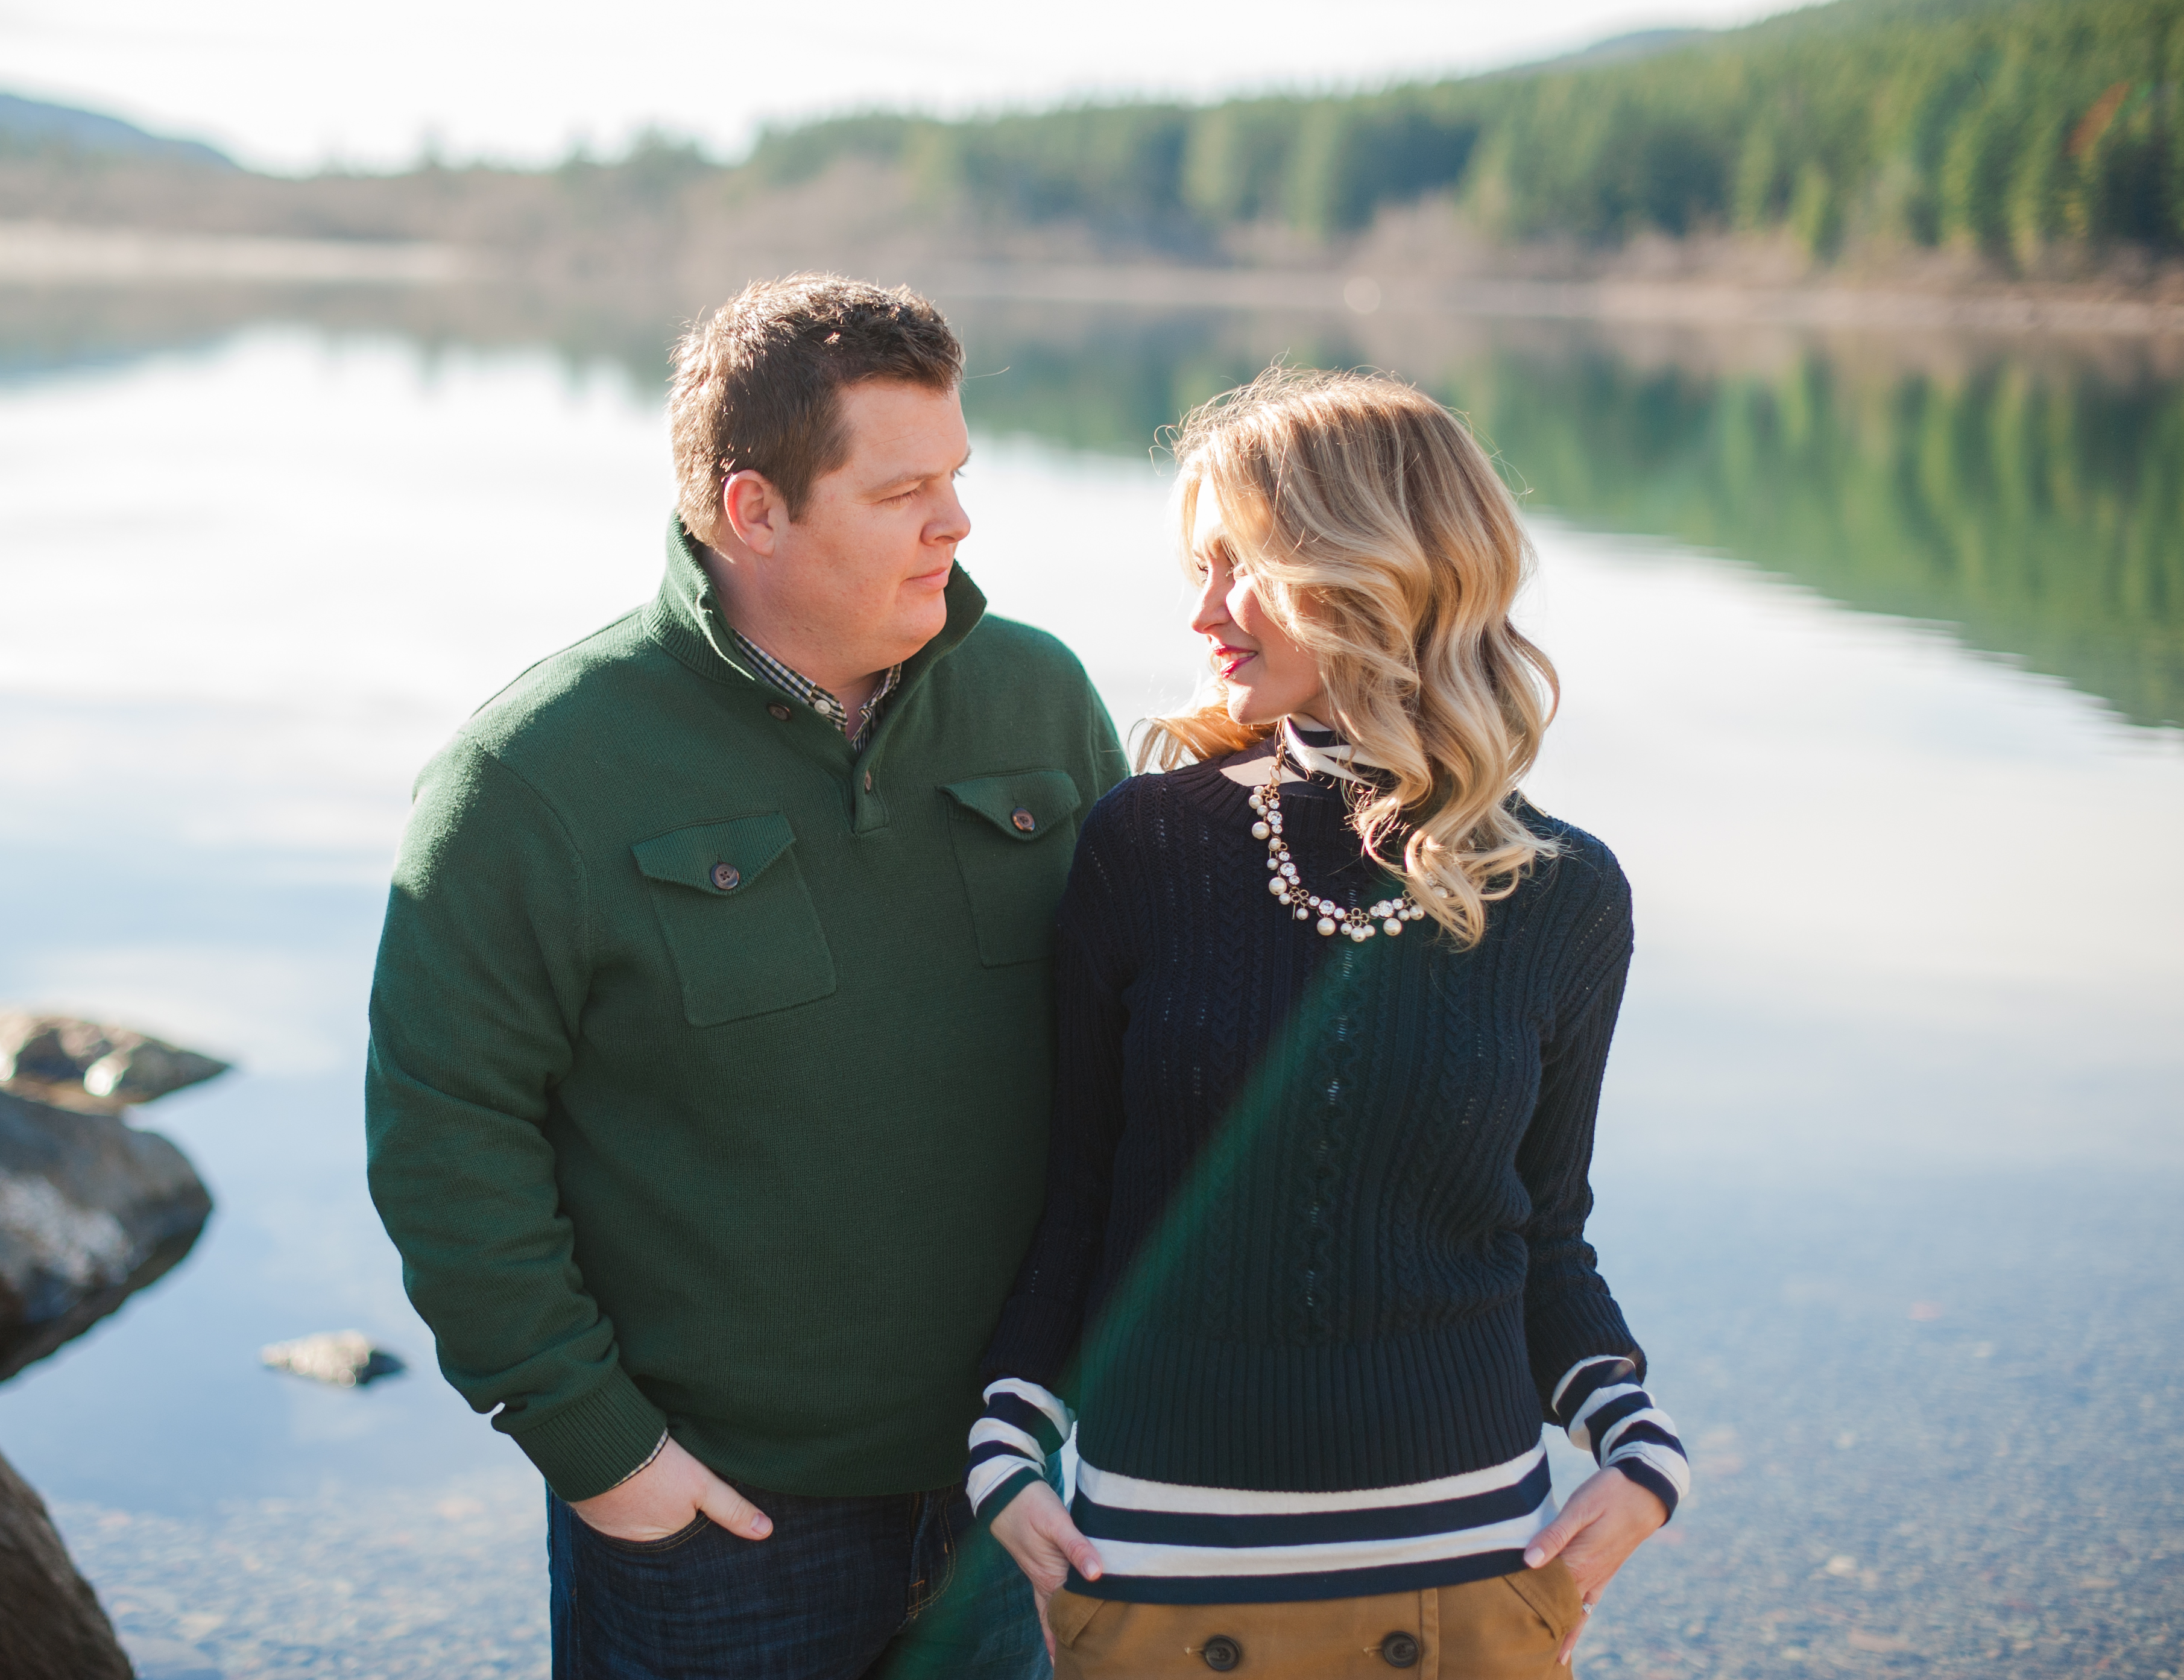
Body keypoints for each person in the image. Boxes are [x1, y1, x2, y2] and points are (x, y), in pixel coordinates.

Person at [365, 273, 1126, 1680]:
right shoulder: (530, 778)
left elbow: (1132, 1049)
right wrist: (604, 1457)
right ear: (752, 510)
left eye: (957, 478)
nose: (956, 524)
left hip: (1006, 1493)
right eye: (902, 493)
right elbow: (444, 1142)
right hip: (715, 1524)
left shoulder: (1041, 702)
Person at [969, 368, 1688, 1678]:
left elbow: (1543, 1230)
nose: (1200, 615)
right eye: (1197, 569)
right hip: (1159, 1560)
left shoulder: (1562, 890)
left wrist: (1637, 1453)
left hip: (1474, 1561)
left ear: (1366, 569)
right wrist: (1005, 1450)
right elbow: (1076, 1196)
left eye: (1236, 568)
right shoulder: (1147, 846)